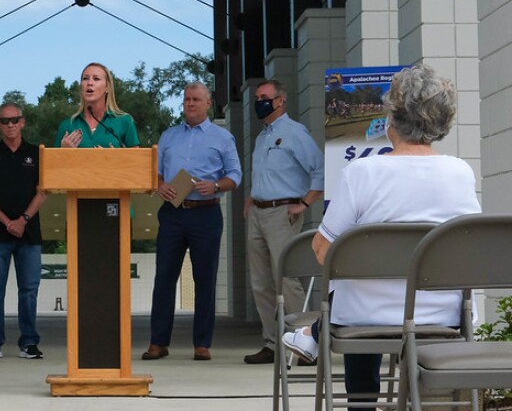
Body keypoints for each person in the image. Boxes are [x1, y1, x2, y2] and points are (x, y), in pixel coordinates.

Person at [282, 64, 481, 410]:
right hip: (441, 316)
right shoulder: (460, 173)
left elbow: (322, 250)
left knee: (353, 298)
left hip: (363, 318)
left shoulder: (362, 172)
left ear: (392, 116)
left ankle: (360, 402)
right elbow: (470, 250)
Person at [143, 81, 242, 362]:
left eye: (196, 99)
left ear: (208, 103)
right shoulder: (168, 136)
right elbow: (154, 173)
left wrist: (217, 186)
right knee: (164, 278)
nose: (190, 103)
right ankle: (158, 342)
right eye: (186, 99)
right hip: (173, 213)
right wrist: (159, 185)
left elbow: (236, 174)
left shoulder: (222, 138)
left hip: (206, 213)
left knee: (205, 278)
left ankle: (202, 343)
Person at [242, 79, 325, 365]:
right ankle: (272, 343)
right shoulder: (262, 136)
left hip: (283, 213)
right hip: (258, 213)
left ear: (280, 101)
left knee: (286, 280)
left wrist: (304, 203)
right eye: (256, 97)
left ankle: (306, 343)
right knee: (261, 283)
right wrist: (251, 199)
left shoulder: (294, 132)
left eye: (265, 97)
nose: (259, 102)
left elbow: (320, 170)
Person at [0, 102, 48, 360]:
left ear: (23, 122)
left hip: (29, 235)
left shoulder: (37, 154)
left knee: (29, 291)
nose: (10, 125)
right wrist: (8, 222)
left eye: (14, 120)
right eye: (4, 121)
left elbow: (43, 191)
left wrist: (23, 219)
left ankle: (29, 342)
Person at [54, 62, 140, 148]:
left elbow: (138, 160)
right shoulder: (67, 125)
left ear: (107, 87)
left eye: (96, 79)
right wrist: (63, 152)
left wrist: (114, 158)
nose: (89, 83)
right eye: (85, 78)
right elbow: (52, 161)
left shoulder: (125, 121)